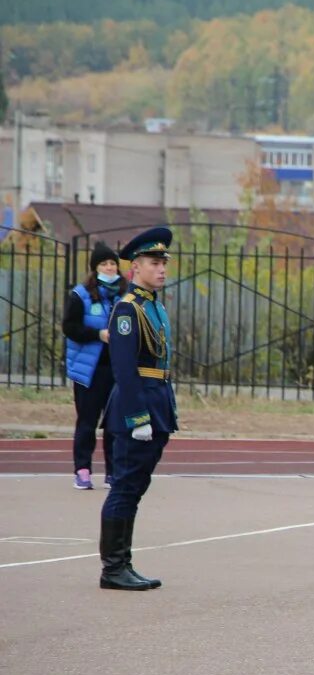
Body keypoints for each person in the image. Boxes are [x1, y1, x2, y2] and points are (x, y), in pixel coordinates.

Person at [98, 227, 178, 591]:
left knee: (136, 486)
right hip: (137, 406)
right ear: (136, 267)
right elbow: (125, 369)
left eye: (163, 263)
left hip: (157, 399)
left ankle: (123, 564)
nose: (161, 269)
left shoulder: (154, 306)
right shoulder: (128, 309)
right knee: (125, 487)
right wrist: (138, 418)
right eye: (154, 263)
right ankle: (114, 568)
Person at [63, 241, 123, 490]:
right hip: (89, 369)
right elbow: (70, 327)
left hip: (117, 369)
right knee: (87, 421)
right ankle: (83, 470)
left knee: (114, 423)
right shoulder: (80, 295)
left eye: (112, 263)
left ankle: (113, 472)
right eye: (104, 263)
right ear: (94, 268)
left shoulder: (125, 294)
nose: (109, 268)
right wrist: (98, 334)